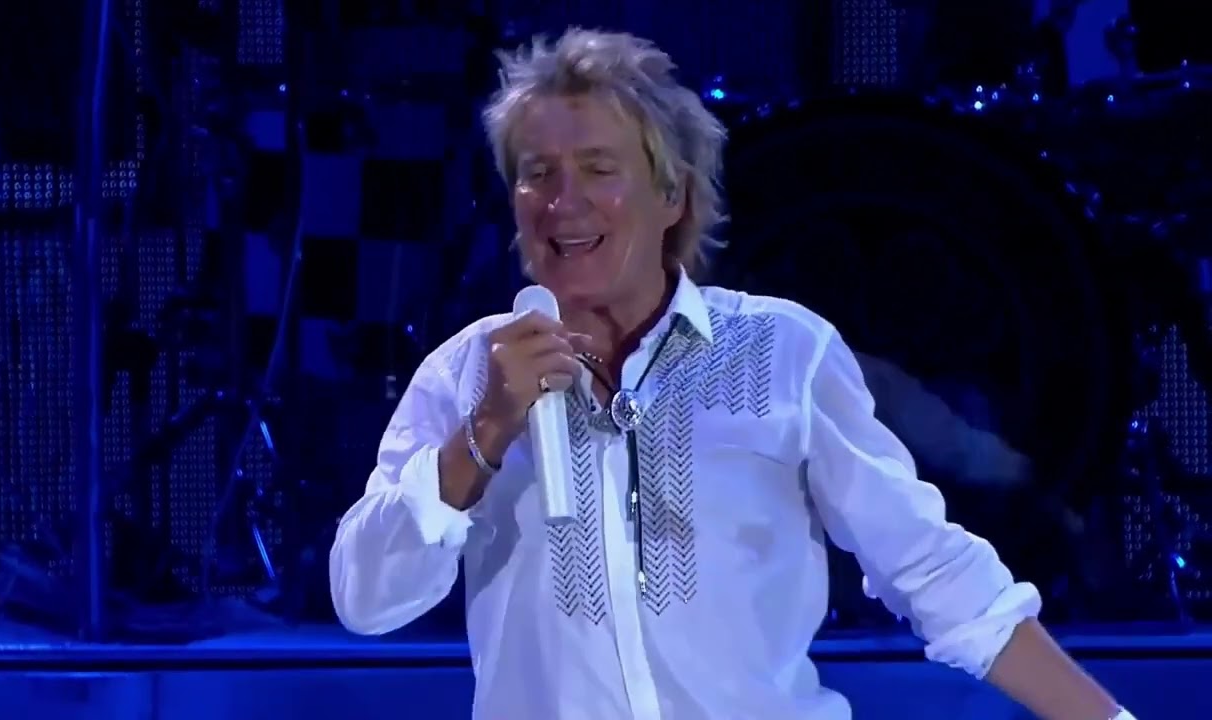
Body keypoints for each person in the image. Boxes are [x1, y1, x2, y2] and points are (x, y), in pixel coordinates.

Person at [330, 27, 1132, 720]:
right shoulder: (465, 374)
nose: (561, 201)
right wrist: (484, 434)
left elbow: (938, 574)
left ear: (673, 194)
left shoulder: (785, 353)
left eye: (599, 169)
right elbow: (366, 600)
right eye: (537, 172)